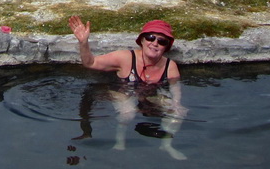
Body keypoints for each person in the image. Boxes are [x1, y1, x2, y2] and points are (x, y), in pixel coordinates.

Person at [68, 15, 187, 159]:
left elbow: (175, 88)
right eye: (150, 37)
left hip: (150, 93)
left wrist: (176, 103)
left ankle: (167, 144)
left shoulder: (169, 66)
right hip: (122, 90)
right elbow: (90, 63)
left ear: (166, 46)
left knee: (178, 112)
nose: (155, 43)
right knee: (128, 112)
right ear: (142, 40)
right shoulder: (125, 58)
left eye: (161, 41)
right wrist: (83, 42)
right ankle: (120, 142)